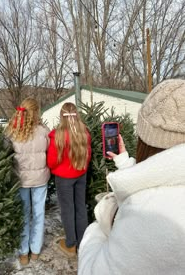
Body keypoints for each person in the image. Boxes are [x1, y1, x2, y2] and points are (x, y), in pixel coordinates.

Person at [78, 79, 185, 275]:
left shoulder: (146, 212)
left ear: (147, 141)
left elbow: (92, 271)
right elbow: (162, 174)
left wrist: (99, 227)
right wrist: (124, 162)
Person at [5, 98, 50, 266]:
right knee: (39, 214)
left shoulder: (11, 131)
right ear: (35, 112)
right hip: (40, 179)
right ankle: (35, 251)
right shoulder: (44, 131)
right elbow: (50, 150)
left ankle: (24, 253)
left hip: (20, 180)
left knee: (23, 215)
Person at [47, 102, 91, 258]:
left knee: (68, 210)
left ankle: (71, 244)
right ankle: (83, 243)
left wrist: (58, 168)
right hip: (81, 174)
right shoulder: (84, 132)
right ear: (76, 115)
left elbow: (52, 161)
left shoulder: (57, 135)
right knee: (80, 207)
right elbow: (88, 155)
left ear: (62, 116)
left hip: (64, 178)